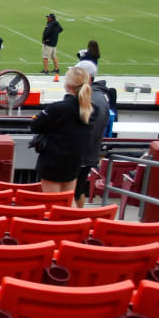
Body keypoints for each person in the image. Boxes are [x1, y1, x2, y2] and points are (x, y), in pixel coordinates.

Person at [30, 65, 93, 193]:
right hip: (74, 162)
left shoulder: (58, 108)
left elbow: (36, 126)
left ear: (68, 84)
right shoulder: (87, 109)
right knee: (68, 201)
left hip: (53, 162)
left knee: (53, 203)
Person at [72, 60, 109, 207]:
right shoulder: (100, 96)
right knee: (78, 190)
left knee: (71, 191)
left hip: (81, 154)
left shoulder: (90, 98)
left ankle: (73, 223)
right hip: (88, 153)